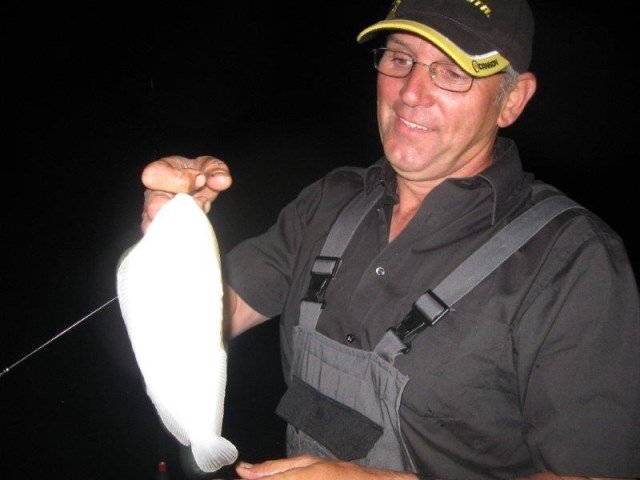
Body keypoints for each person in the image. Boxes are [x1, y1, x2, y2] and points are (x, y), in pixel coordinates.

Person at [139, 0, 640, 478]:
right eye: (400, 59)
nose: (411, 92)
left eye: (452, 71)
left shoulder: (572, 260)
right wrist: (174, 244)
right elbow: (189, 332)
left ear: (511, 99)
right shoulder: (329, 201)